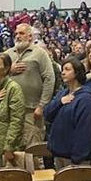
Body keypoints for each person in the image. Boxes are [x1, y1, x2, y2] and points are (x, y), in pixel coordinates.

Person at [6, 24, 54, 157]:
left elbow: (49, 79)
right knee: (12, 152)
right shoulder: (8, 54)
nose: (18, 36)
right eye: (16, 33)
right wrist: (9, 70)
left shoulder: (40, 53)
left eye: (21, 33)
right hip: (10, 110)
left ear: (30, 36)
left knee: (34, 152)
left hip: (32, 111)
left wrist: (42, 105)